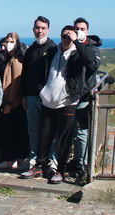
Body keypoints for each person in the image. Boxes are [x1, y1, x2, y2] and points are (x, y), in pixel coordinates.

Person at [20, 25, 97, 184]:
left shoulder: (77, 53)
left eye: (69, 36)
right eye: (64, 35)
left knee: (64, 139)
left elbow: (90, 61)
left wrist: (78, 42)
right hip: (48, 100)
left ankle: (60, 170)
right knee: (44, 136)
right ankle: (40, 166)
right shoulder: (53, 51)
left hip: (67, 102)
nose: (66, 38)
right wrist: (42, 90)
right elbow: (42, 71)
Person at [66, 17, 101, 179]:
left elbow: (92, 65)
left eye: (82, 29)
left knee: (81, 132)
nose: (78, 31)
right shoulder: (70, 46)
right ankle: (75, 160)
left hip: (84, 96)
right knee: (70, 131)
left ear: (87, 31)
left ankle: (82, 163)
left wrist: (79, 44)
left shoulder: (92, 48)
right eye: (76, 28)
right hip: (69, 95)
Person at [21, 16, 57, 170]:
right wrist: (23, 94)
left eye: (43, 28)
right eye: (37, 27)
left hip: (47, 97)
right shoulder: (30, 50)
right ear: (33, 29)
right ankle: (34, 156)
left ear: (48, 29)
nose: (39, 30)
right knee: (33, 128)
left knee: (49, 130)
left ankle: (49, 159)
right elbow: (25, 73)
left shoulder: (53, 49)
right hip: (30, 95)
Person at [0, 33, 28, 169]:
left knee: (12, 131)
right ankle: (16, 158)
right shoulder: (10, 58)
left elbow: (16, 83)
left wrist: (9, 102)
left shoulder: (17, 60)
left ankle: (13, 159)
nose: (8, 44)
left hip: (14, 103)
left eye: (11, 41)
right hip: (11, 102)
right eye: (7, 41)